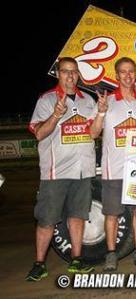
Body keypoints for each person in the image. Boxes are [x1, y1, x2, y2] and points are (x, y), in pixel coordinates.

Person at [27, 57, 95, 281]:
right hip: (56, 172)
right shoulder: (46, 100)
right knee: (47, 219)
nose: (70, 76)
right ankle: (39, 264)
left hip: (83, 170)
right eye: (66, 72)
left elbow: (94, 132)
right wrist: (56, 114)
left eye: (74, 72)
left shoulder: (88, 100)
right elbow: (38, 134)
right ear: (58, 74)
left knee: (77, 217)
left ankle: (76, 260)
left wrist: (101, 114)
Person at [90, 57, 136, 271]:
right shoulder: (107, 101)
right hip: (113, 168)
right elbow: (93, 132)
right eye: (123, 72)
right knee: (112, 214)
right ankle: (110, 254)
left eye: (131, 71)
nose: (127, 76)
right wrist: (100, 111)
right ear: (116, 76)